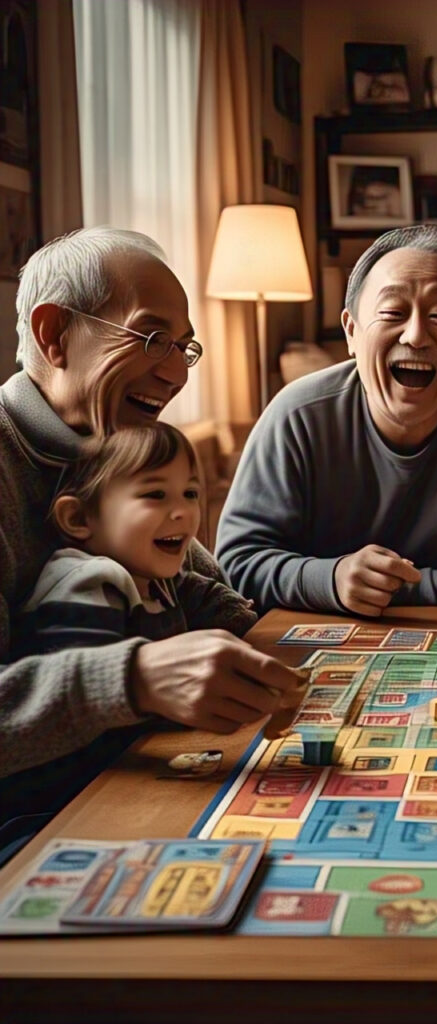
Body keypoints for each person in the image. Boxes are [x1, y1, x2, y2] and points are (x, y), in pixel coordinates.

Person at [0, 227, 302, 853]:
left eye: (184, 348)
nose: (175, 373)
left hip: (138, 778)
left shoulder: (119, 449)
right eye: (151, 338)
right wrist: (132, 679)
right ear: (55, 334)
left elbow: (206, 594)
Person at [216, 224, 437, 616]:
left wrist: (400, 591)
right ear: (351, 331)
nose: (416, 335)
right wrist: (330, 579)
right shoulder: (297, 416)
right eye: (392, 312)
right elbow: (237, 564)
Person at [18, 423, 256, 655]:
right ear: (78, 519)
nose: (182, 511)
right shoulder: (92, 582)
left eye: (189, 494)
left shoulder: (156, 578)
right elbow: (90, 684)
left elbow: (209, 599)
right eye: (156, 494)